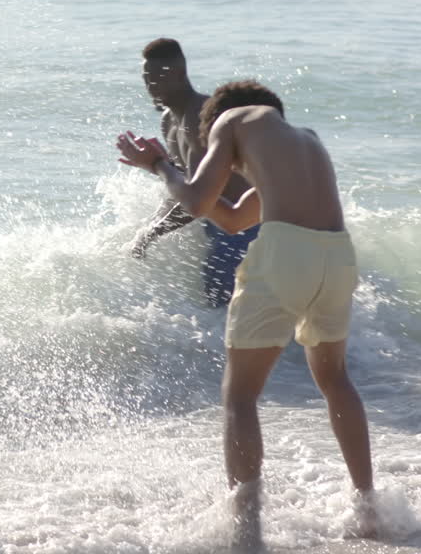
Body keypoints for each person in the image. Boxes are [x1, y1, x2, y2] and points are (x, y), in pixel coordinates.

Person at [116, 80, 375, 548]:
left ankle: (247, 529)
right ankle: (369, 508)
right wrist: (178, 176)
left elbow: (195, 201)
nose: (229, 164)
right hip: (338, 257)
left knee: (240, 396)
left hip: (285, 256)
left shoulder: (232, 118)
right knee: (335, 380)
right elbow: (234, 217)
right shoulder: (307, 142)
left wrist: (159, 165)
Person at [128, 38, 259, 307]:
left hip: (248, 227)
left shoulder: (202, 117)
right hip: (221, 226)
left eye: (157, 78)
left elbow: (200, 197)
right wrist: (148, 226)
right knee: (222, 310)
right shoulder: (169, 121)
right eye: (146, 79)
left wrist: (152, 233)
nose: (150, 87)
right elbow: (184, 185)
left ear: (179, 73)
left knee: (227, 308)